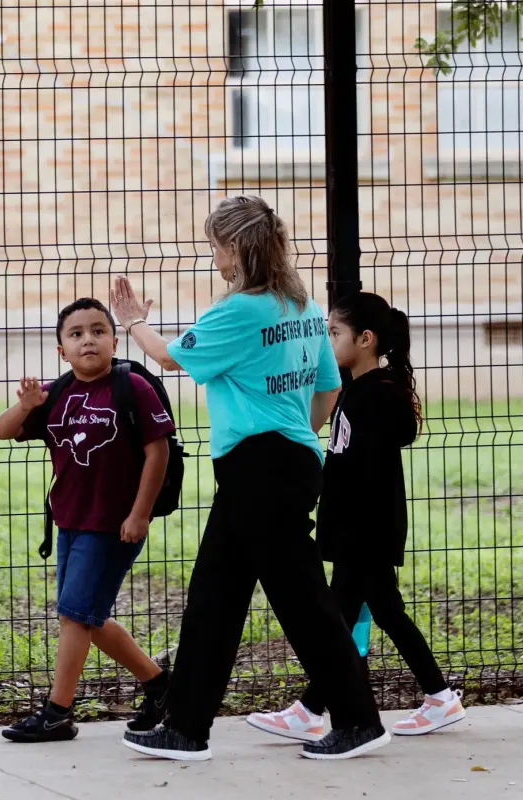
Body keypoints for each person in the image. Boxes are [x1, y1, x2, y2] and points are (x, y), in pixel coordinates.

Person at [111, 195, 390, 761]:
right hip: (286, 462)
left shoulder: (238, 311)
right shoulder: (304, 307)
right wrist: (297, 434)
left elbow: (168, 358)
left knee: (302, 601)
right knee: (216, 596)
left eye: (216, 246)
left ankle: (358, 720)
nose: (214, 257)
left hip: (257, 468)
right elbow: (328, 387)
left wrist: (134, 322)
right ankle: (186, 727)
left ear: (235, 249)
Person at [247, 292, 465, 741]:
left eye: (334, 333)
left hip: (365, 533)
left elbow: (367, 476)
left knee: (371, 614)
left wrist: (345, 528)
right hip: (355, 532)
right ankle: (313, 708)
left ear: (365, 339)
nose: (327, 340)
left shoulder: (377, 398)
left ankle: (438, 697)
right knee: (350, 616)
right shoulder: (356, 391)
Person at [0, 297, 176, 743]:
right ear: (61, 350)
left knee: (75, 616)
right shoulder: (57, 393)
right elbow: (3, 429)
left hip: (114, 525)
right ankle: (161, 686)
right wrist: (26, 405)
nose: (87, 340)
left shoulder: (131, 386)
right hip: (70, 522)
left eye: (97, 331)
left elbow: (159, 451)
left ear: (114, 340)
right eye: (76, 335)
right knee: (87, 618)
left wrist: (140, 513)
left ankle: (57, 713)